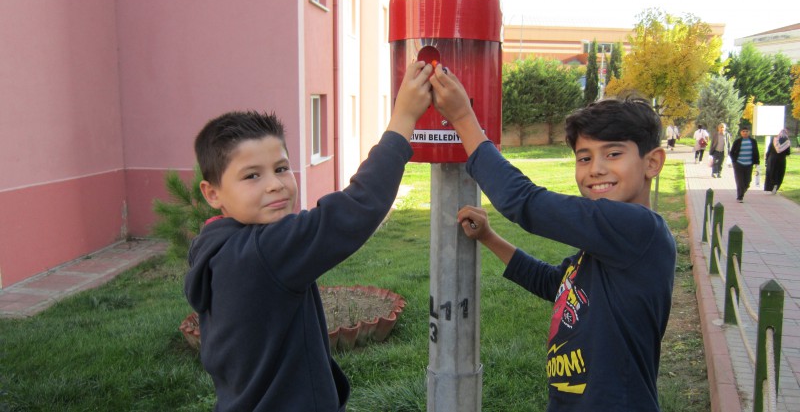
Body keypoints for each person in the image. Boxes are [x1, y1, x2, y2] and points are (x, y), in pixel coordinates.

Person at [183, 61, 433, 412]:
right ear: (213, 193)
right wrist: (403, 119)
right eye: (252, 176)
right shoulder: (264, 251)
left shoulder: (218, 243)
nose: (274, 184)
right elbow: (355, 210)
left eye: (281, 168)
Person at [430, 66, 676, 411]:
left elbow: (525, 202)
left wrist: (462, 117)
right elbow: (555, 284)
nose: (596, 169)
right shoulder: (609, 244)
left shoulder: (639, 229)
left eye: (614, 154)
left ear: (652, 163)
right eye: (584, 157)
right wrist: (489, 237)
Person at [729, 126, 760, 202]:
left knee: (748, 181)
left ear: (749, 132)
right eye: (743, 131)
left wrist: (757, 162)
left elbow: (756, 152)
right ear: (741, 133)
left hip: (749, 164)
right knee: (740, 181)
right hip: (739, 163)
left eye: (746, 131)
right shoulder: (738, 141)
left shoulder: (753, 141)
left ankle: (742, 191)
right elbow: (732, 152)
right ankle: (740, 197)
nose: (745, 133)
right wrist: (734, 161)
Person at [764, 128, 791, 194]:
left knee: (771, 172)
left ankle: (769, 188)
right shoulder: (787, 141)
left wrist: (766, 159)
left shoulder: (774, 139)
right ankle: (776, 185)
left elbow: (769, 150)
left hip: (772, 159)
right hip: (781, 159)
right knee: (779, 173)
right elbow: (788, 152)